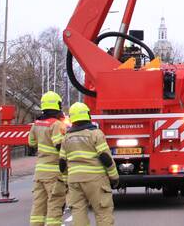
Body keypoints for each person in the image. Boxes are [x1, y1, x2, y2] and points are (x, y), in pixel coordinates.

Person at [59, 102, 118, 226]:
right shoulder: (95, 134)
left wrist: (66, 181)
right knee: (103, 212)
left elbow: (62, 163)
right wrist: (114, 177)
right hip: (96, 179)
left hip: (74, 180)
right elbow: (106, 158)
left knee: (78, 212)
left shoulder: (66, 137)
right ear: (88, 115)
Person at [28, 90, 67, 226]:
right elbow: (60, 146)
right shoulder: (56, 125)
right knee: (55, 204)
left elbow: (31, 143)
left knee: (38, 205)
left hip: (39, 172)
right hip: (53, 172)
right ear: (57, 106)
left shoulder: (36, 124)